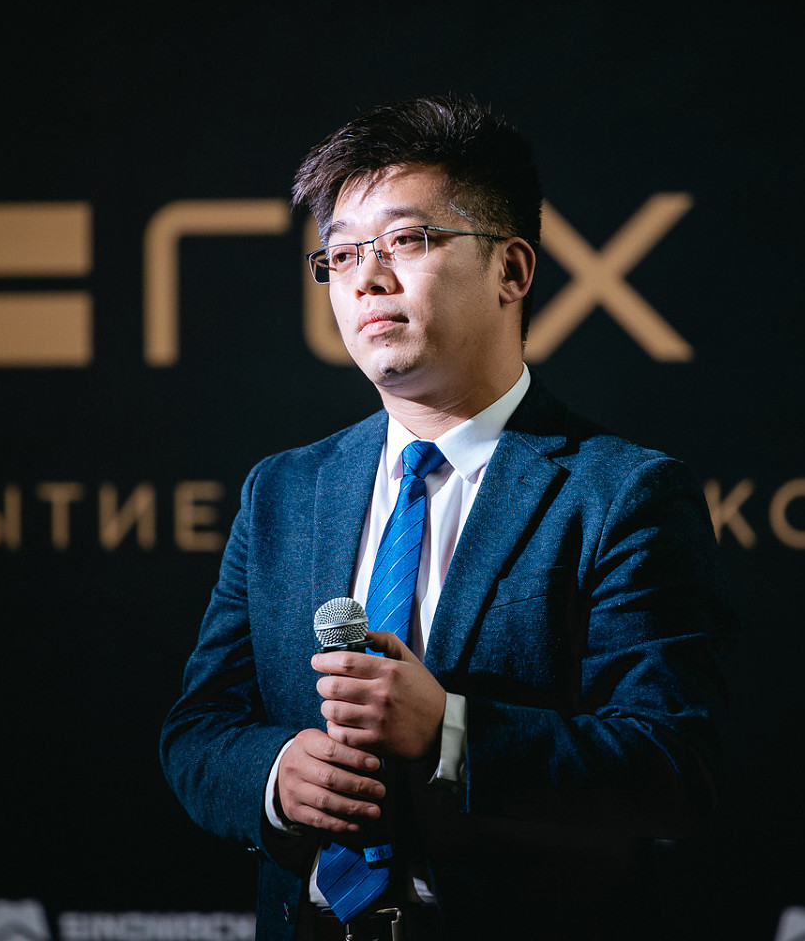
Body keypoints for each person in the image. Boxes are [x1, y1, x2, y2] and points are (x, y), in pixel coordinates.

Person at [161, 95, 735, 940]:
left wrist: (451, 734)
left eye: (405, 240)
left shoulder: (623, 495)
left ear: (512, 271)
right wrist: (276, 775)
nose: (367, 279)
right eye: (342, 254)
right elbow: (199, 731)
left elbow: (675, 768)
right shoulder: (283, 491)